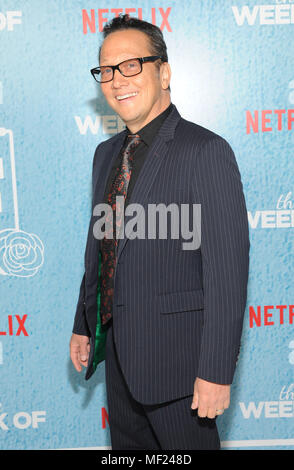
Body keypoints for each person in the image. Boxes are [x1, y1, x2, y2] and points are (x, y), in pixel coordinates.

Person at [69, 14, 250, 450]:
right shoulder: (105, 154)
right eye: (107, 70)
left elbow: (228, 274)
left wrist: (215, 371)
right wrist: (85, 323)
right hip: (119, 361)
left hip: (181, 372)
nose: (117, 80)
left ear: (164, 72)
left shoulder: (205, 150)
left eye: (131, 65)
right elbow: (104, 247)